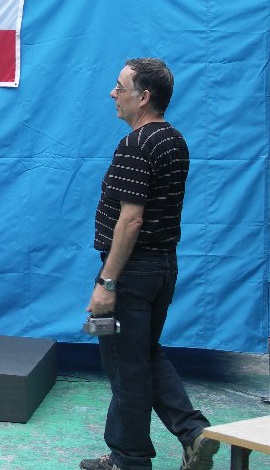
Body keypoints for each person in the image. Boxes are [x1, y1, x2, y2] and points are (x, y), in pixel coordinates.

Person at [80, 59, 218, 470]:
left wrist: (107, 283)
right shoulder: (174, 139)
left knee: (125, 366)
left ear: (143, 97)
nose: (113, 93)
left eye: (120, 86)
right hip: (162, 269)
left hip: (129, 273)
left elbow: (131, 220)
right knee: (143, 354)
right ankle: (193, 431)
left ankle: (129, 458)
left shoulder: (135, 144)